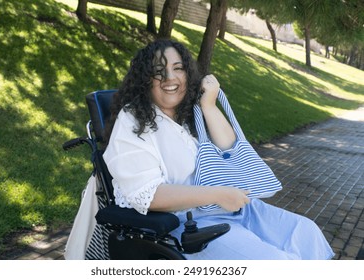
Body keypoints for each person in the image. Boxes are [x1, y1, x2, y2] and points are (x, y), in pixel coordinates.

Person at [102, 39, 334, 260]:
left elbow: (229, 146)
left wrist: (208, 106)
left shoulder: (188, 112)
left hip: (235, 208)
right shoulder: (133, 120)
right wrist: (218, 194)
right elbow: (148, 195)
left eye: (178, 68)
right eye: (158, 71)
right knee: (276, 263)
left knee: (307, 233)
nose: (170, 78)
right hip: (188, 223)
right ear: (145, 79)